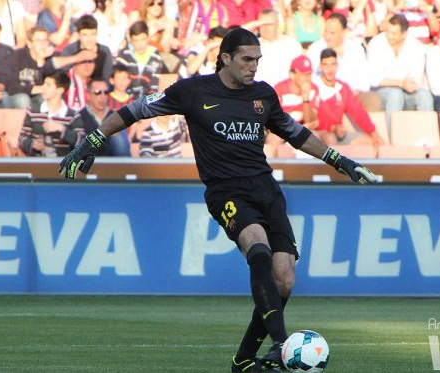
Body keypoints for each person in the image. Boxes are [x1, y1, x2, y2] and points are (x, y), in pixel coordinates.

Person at [59, 27, 377, 373]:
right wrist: (91, 140)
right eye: (246, 59)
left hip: (267, 190)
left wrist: (339, 160)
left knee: (284, 277)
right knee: (258, 249)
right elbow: (133, 111)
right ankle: (282, 344)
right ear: (225, 58)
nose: (253, 66)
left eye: (257, 60)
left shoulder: (263, 95)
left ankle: (243, 361)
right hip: (226, 191)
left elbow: (295, 133)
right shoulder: (192, 91)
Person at [368, 14, 433, 128]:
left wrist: (411, 84)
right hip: (382, 91)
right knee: (395, 94)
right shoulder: (376, 44)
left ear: (404, 34)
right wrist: (400, 83)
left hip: (408, 91)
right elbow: (373, 79)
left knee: (425, 95)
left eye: (393, 33)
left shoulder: (416, 46)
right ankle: (392, 138)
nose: (389, 36)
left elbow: (416, 77)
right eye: (388, 31)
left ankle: (426, 135)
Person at [313, 48, 385, 146]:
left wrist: (373, 133)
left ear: (337, 66)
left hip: (338, 132)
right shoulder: (314, 87)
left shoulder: (343, 88)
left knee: (371, 142)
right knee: (330, 139)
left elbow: (358, 111)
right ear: (320, 67)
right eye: (326, 65)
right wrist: (332, 128)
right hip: (319, 133)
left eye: (333, 64)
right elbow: (312, 119)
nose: (330, 69)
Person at [266, 54, 320, 156]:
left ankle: (307, 170)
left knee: (314, 138)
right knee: (273, 139)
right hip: (281, 130)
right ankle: (272, 169)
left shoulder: (313, 89)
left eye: (309, 74)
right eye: (304, 74)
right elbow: (274, 120)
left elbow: (311, 121)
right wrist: (296, 129)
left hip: (304, 128)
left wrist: (305, 98)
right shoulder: (279, 88)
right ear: (293, 74)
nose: (307, 78)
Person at [18, 71, 77, 156]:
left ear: (60, 90)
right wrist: (32, 144)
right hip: (38, 164)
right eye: (44, 84)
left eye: (48, 85)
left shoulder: (72, 115)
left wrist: (62, 130)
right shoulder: (33, 111)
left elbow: (82, 142)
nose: (43, 88)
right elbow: (22, 138)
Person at [67, 78, 131, 156]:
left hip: (114, 164)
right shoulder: (79, 117)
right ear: (88, 95)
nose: (103, 96)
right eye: (97, 92)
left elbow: (123, 148)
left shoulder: (115, 116)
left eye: (106, 92)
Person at [116, 21, 175, 99]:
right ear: (131, 40)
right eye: (136, 40)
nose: (140, 44)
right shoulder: (123, 56)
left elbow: (154, 85)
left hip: (147, 102)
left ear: (148, 38)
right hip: (126, 101)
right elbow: (119, 84)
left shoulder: (156, 56)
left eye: (143, 39)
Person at [254, 8, 303, 87]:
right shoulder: (252, 46)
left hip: (287, 93)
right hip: (260, 94)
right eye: (262, 24)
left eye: (269, 24)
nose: (265, 28)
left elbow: (301, 71)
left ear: (278, 24)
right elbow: (235, 38)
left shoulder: (291, 44)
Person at [9, 26, 54, 110]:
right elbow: (12, 86)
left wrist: (41, 62)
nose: (42, 44)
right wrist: (35, 89)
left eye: (45, 40)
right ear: (29, 44)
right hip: (17, 94)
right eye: (38, 41)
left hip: (38, 95)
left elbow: (52, 86)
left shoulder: (50, 59)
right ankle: (26, 123)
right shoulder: (17, 56)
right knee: (23, 100)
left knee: (48, 99)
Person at [59, 15, 114, 81]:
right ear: (78, 35)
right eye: (85, 35)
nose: (89, 39)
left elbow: (106, 78)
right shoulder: (69, 51)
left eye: (92, 34)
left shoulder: (105, 51)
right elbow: (64, 75)